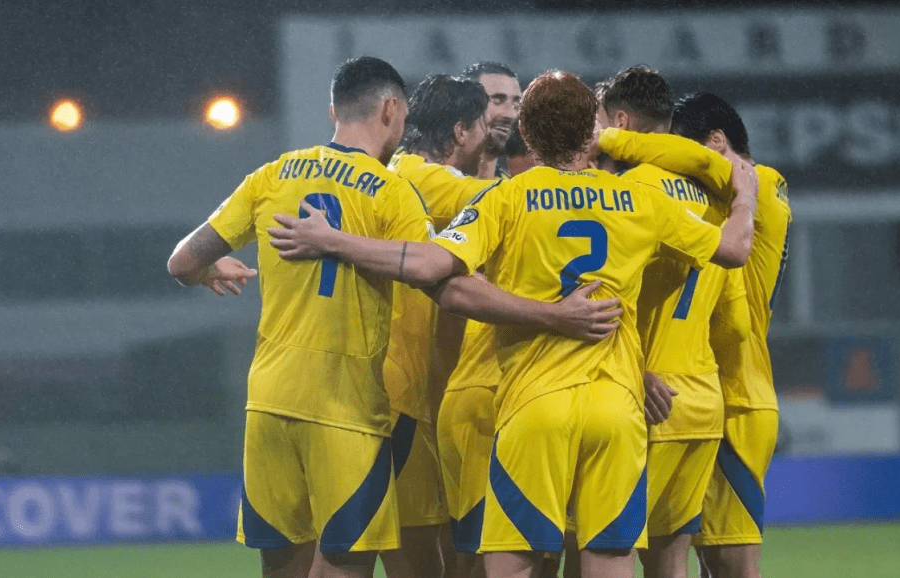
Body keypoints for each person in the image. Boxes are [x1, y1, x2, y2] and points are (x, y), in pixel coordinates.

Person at [267, 70, 760, 578]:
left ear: (530, 130)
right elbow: (734, 249)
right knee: (609, 561)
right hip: (618, 407)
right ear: (592, 134)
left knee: (510, 563)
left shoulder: (506, 198)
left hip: (533, 405)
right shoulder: (642, 200)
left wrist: (332, 240)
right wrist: (744, 195)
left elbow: (436, 271)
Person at [167, 57, 616, 578]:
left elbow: (182, 261)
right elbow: (444, 281)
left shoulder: (272, 174)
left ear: (334, 107)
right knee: (360, 564)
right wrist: (553, 314)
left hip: (267, 402)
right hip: (348, 405)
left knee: (285, 566)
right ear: (391, 109)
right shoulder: (391, 190)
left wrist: (207, 271)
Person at [597, 93, 792, 578]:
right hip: (713, 389)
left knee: (731, 564)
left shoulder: (758, 183)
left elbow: (737, 323)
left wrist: (609, 139)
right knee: (687, 557)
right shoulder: (717, 202)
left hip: (738, 390)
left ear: (716, 143)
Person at [380, 73, 490, 578]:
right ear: (462, 131)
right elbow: (512, 203)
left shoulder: (395, 175)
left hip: (420, 391)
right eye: (487, 123)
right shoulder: (426, 178)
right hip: (407, 396)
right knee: (423, 555)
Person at [460, 62, 522, 179]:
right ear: (465, 105)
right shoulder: (430, 187)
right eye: (497, 100)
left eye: (516, 103)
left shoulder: (513, 193)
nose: (511, 115)